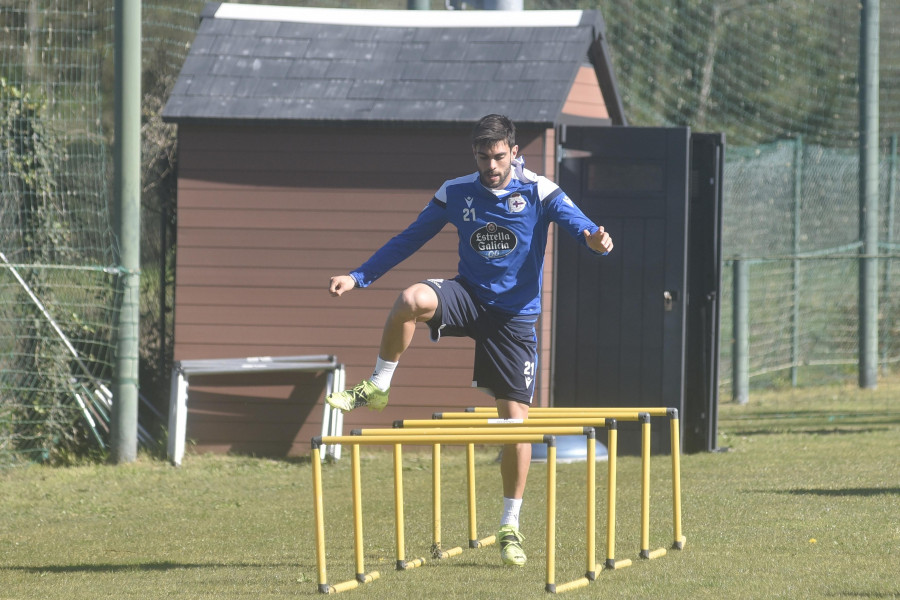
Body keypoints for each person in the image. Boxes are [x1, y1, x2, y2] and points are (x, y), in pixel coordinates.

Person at [326, 114, 613, 567]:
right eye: (484, 157)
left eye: (499, 157)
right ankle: (378, 386)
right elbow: (409, 239)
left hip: (514, 319)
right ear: (474, 156)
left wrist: (596, 242)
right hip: (468, 297)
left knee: (516, 424)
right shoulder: (455, 191)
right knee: (410, 299)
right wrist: (358, 277)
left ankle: (509, 525)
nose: (492, 165)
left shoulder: (539, 190)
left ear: (514, 153)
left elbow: (585, 228)